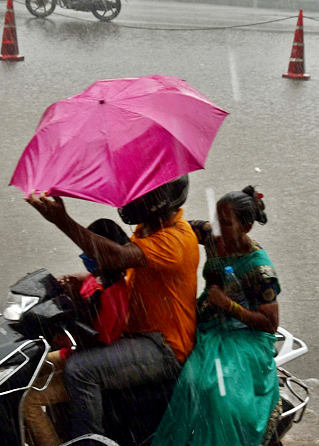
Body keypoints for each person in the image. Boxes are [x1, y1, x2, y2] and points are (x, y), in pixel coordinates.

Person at [25, 174, 199, 440]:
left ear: (159, 200)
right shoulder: (150, 226)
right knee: (34, 363)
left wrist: (62, 220)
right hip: (136, 334)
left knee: (80, 370)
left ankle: (89, 442)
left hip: (163, 346)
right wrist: (85, 280)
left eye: (140, 193)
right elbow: (125, 271)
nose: (131, 198)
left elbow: (115, 257)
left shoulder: (173, 240)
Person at [152, 186, 282, 446]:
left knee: (213, 393)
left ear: (246, 227)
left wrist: (227, 305)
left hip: (241, 337)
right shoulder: (211, 236)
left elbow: (270, 323)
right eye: (217, 219)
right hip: (205, 322)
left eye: (227, 222)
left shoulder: (259, 267)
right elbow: (177, 229)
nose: (218, 228)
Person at [23, 218, 132, 446]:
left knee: (29, 401)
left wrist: (63, 339)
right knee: (24, 371)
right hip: (69, 354)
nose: (85, 257)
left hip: (81, 361)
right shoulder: (99, 278)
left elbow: (99, 342)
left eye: (89, 251)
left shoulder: (114, 295)